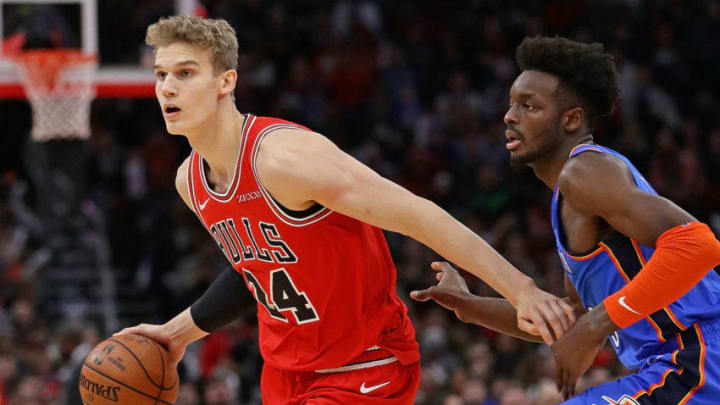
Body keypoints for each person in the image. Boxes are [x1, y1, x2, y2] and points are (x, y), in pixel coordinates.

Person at [115, 17, 574, 404]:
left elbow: (419, 214)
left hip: (366, 363)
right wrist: (175, 335)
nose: (167, 88)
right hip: (283, 373)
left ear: (225, 82)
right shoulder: (190, 182)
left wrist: (523, 291)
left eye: (185, 73)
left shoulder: (283, 159)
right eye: (160, 75)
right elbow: (254, 272)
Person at [412, 36, 720, 404]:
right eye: (511, 104)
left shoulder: (585, 171)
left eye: (529, 106)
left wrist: (595, 326)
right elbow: (571, 317)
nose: (510, 116)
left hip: (700, 356)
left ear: (571, 119)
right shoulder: (571, 191)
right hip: (678, 363)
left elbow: (699, 245)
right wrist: (470, 305)